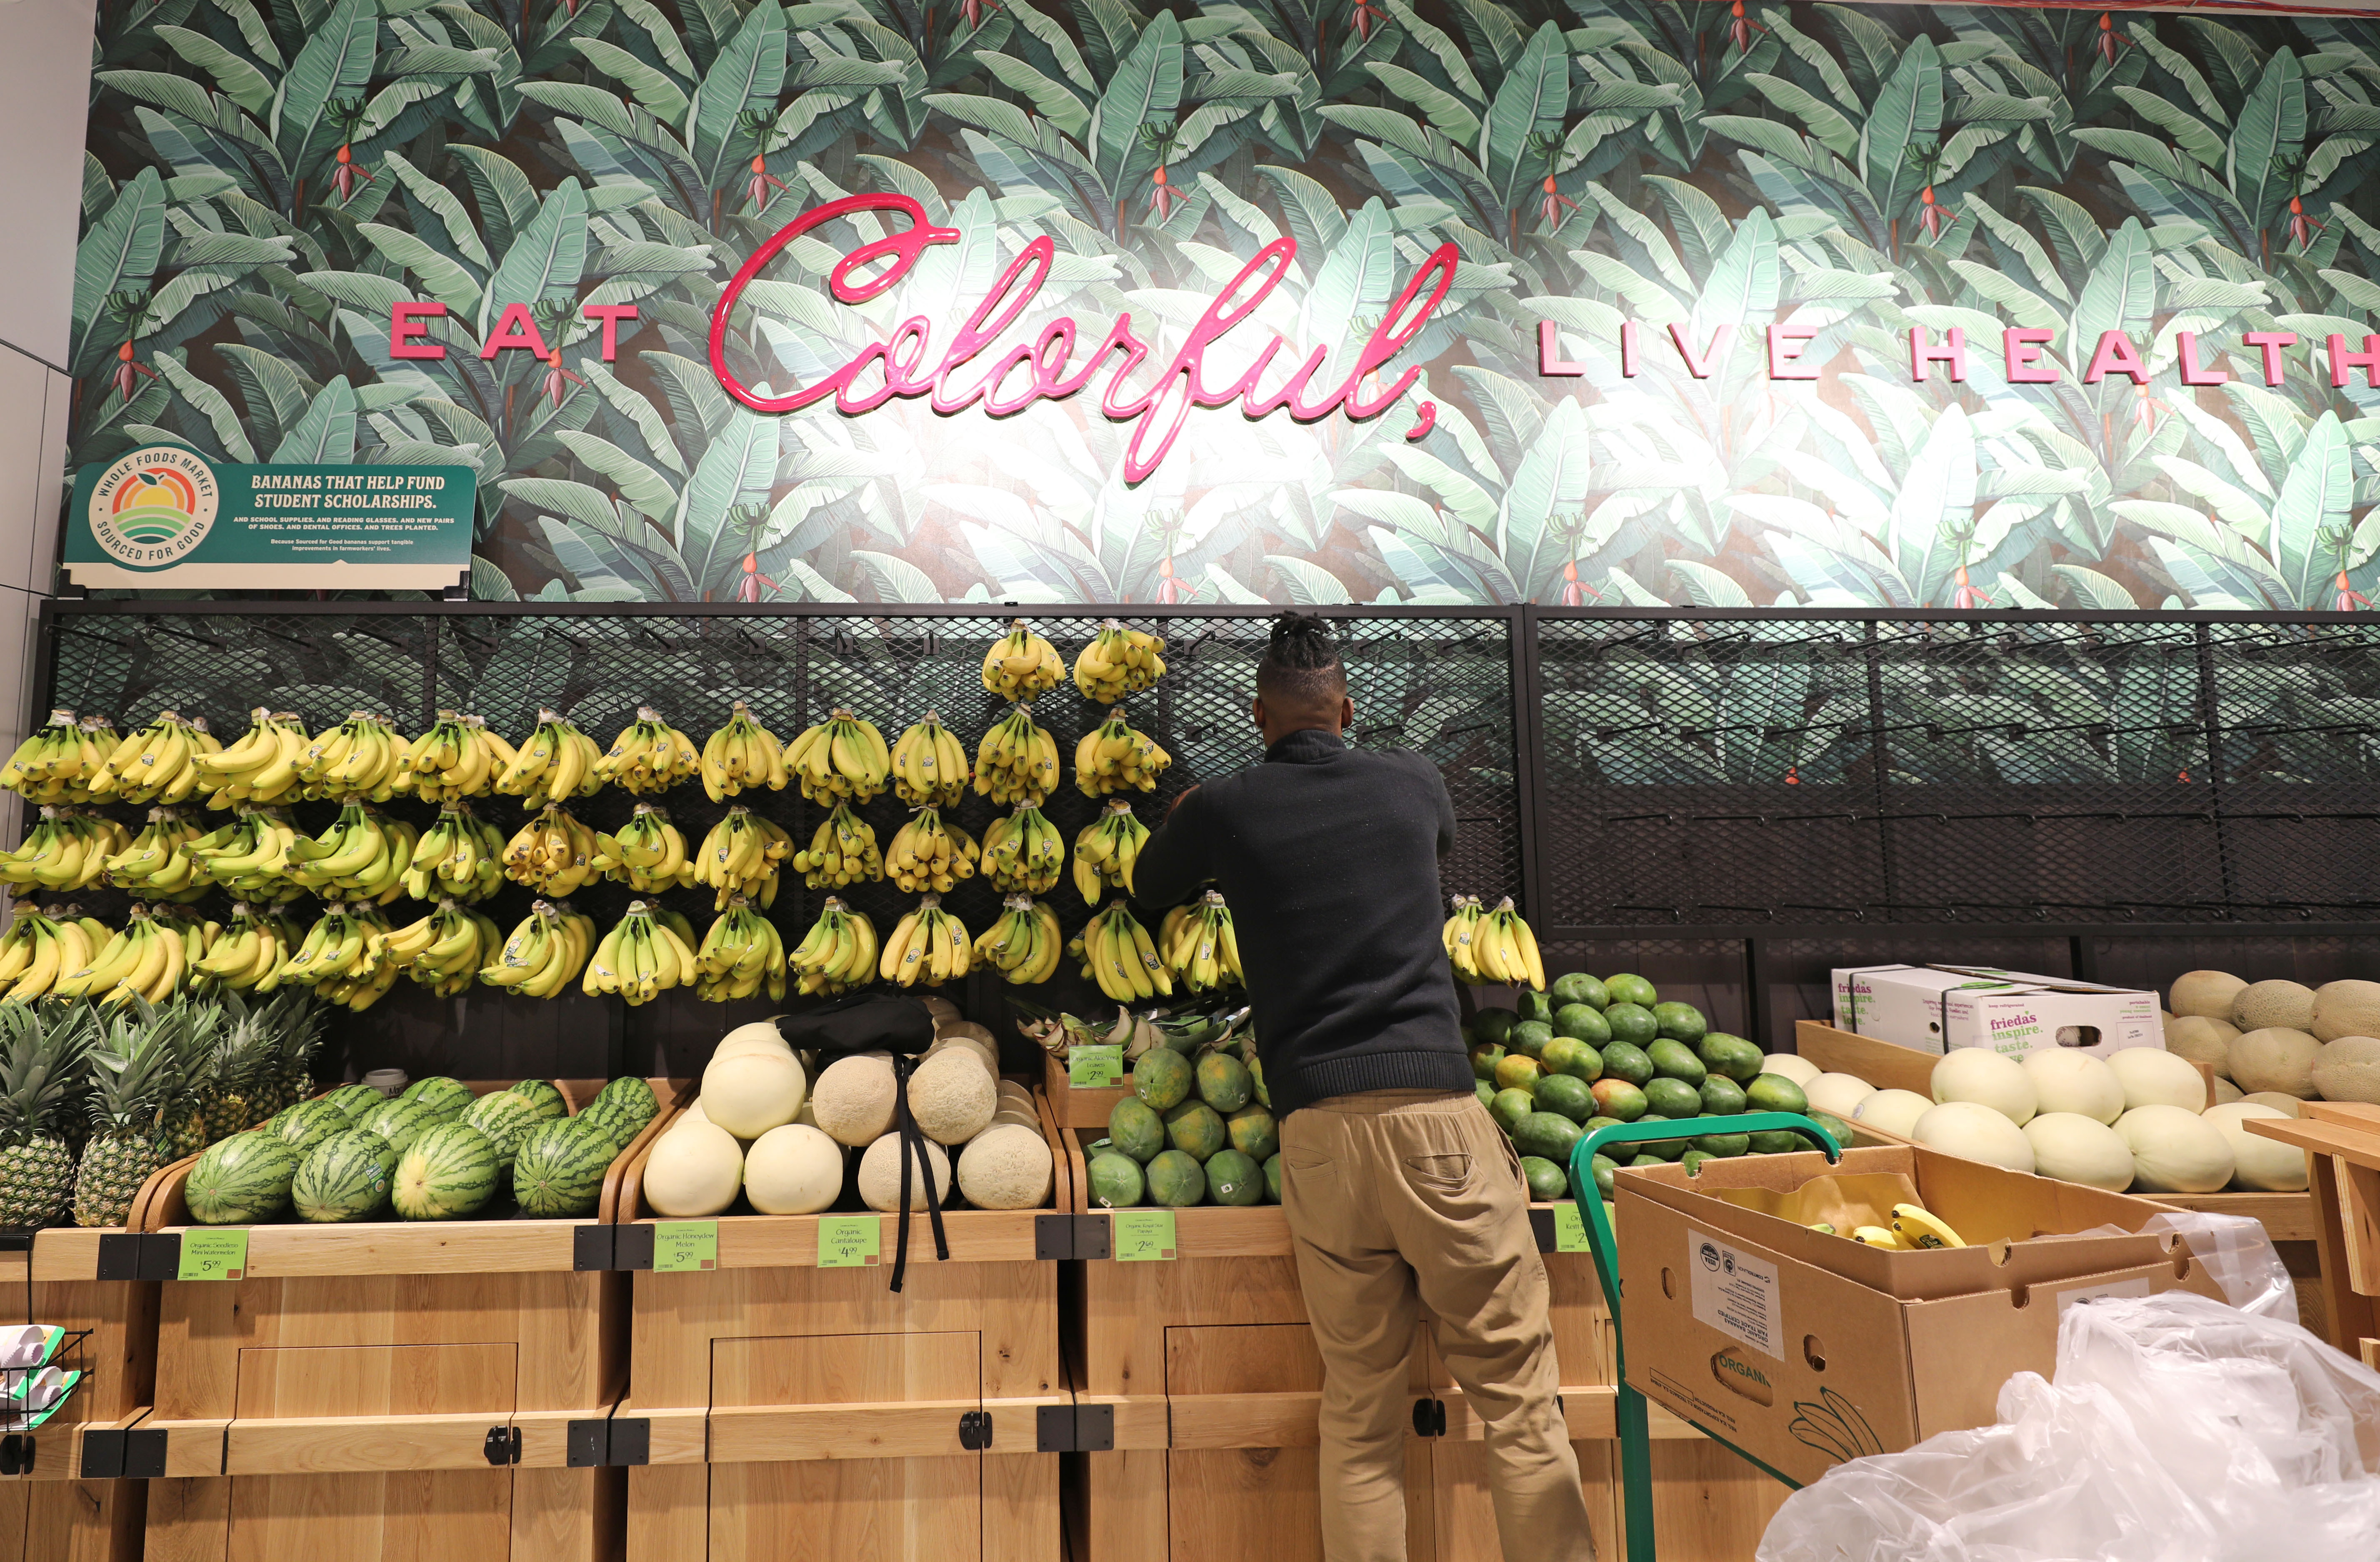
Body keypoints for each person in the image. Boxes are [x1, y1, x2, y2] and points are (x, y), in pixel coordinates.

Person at [1131, 612, 1593, 1562]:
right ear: (1347, 708)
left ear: (1258, 715)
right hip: (1437, 1119)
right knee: (1516, 1396)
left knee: (1359, 1411)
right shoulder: (1414, 781)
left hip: (1319, 1137)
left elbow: (1149, 885)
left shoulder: (1225, 807)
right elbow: (1434, 839)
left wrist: (1189, 818)